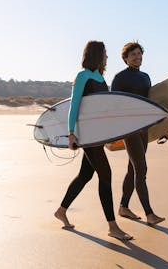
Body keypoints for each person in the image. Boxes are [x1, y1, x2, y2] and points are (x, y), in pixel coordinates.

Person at [54, 40, 133, 241]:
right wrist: (71, 133)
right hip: (86, 135)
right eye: (105, 53)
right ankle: (113, 226)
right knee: (105, 174)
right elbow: (75, 105)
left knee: (85, 175)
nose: (107, 57)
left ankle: (61, 211)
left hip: (97, 135)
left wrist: (110, 133)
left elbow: (102, 110)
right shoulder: (82, 76)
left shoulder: (100, 78)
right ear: (96, 54)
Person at [111, 41, 165, 226]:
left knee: (132, 168)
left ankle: (123, 207)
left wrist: (165, 128)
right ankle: (149, 214)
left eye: (139, 54)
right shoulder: (120, 78)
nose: (137, 57)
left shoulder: (145, 77)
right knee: (141, 168)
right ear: (125, 58)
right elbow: (113, 104)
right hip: (130, 128)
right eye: (133, 55)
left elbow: (150, 105)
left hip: (144, 128)